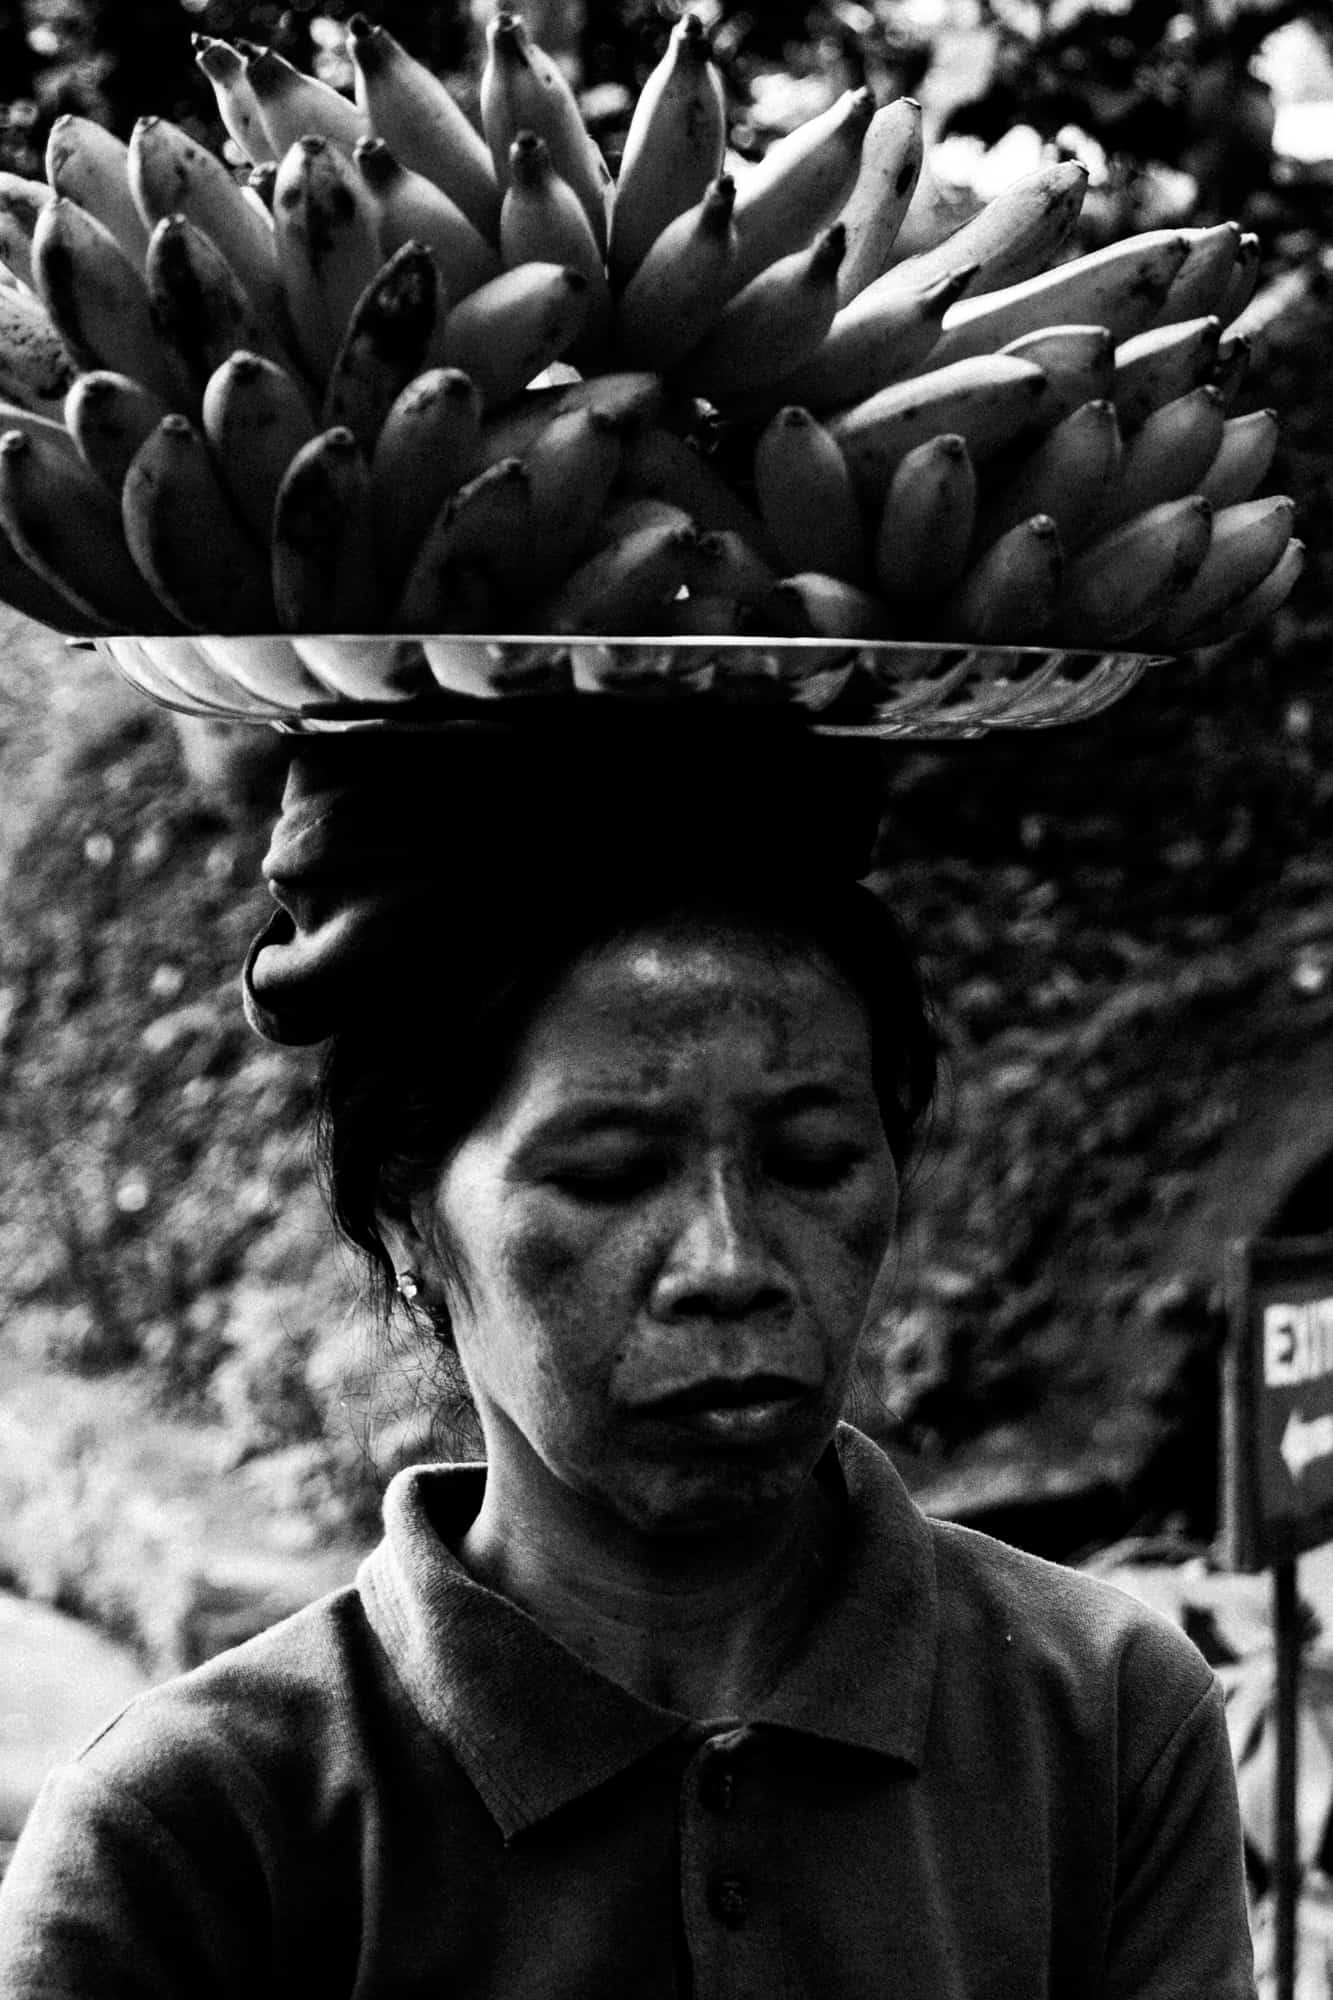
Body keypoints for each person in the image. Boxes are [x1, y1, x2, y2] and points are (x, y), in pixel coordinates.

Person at [0, 712, 1257, 1996]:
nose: (730, 1262)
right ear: (407, 1217)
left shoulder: (1101, 1722)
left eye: (814, 1160)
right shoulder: (185, 1841)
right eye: (608, 1174)